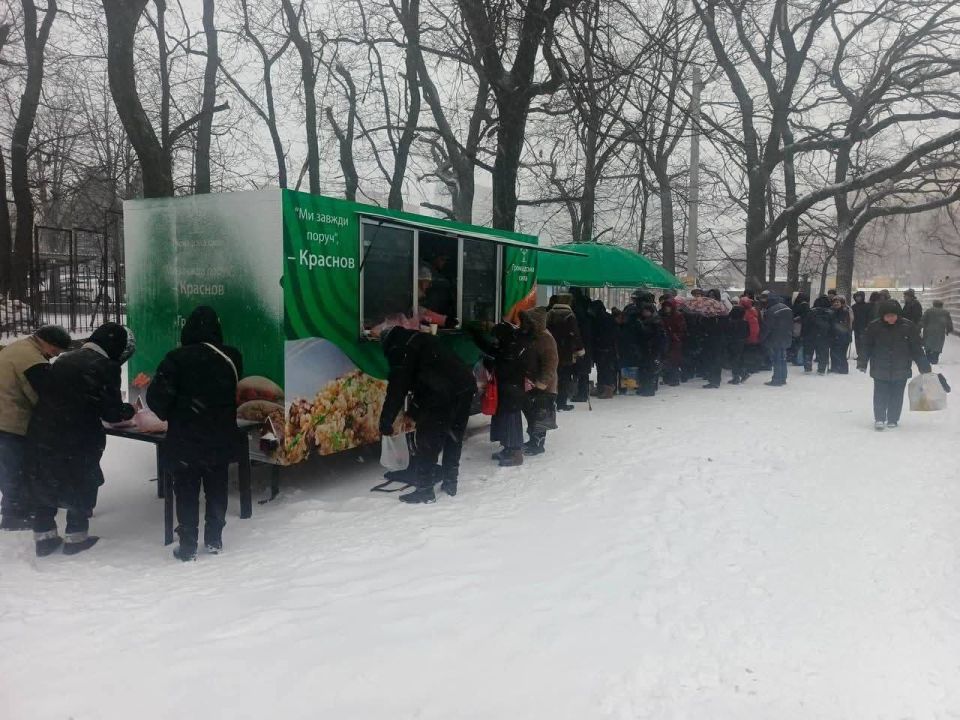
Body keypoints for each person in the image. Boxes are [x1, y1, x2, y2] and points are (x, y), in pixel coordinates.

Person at [28, 323, 136, 556]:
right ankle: (76, 538)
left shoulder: (64, 359)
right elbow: (111, 413)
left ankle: (44, 537)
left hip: (44, 430)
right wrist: (129, 410)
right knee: (81, 480)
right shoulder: (105, 366)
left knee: (48, 478)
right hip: (78, 435)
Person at [146, 307, 243, 561]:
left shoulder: (176, 358)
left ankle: (187, 544)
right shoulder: (232, 356)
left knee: (186, 490)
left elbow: (157, 398)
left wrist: (173, 413)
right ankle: (214, 538)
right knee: (217, 486)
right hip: (220, 436)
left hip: (186, 438)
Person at [378, 323, 476, 503]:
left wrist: (386, 421)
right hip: (465, 386)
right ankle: (450, 482)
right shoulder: (422, 339)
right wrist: (413, 412)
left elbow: (398, 388)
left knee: (428, 439)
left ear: (387, 344)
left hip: (441, 392)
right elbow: (425, 380)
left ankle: (425, 490)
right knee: (453, 436)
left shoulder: (400, 350)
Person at [0, 326, 71, 530]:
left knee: (11, 468)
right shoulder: (32, 359)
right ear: (46, 342)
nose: (55, 355)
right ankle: (13, 516)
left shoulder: (19, 348)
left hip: (5, 418)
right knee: (15, 469)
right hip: (10, 422)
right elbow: (45, 394)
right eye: (56, 350)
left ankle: (17, 509)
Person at [858, 299, 932, 430]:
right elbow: (866, 346)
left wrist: (924, 365)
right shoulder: (874, 327)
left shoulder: (908, 326)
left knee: (897, 395)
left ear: (898, 315)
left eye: (893, 316)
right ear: (882, 316)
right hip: (880, 367)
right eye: (887, 316)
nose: (891, 318)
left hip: (901, 367)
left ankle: (893, 418)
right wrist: (862, 362)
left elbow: (916, 348)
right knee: (880, 394)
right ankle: (880, 418)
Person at [471, 322, 527, 467]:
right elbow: (490, 349)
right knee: (504, 420)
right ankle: (507, 449)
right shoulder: (508, 346)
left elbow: (503, 369)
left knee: (511, 422)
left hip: (512, 392)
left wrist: (489, 363)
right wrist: (474, 334)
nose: (495, 341)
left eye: (496, 338)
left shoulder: (511, 350)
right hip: (507, 391)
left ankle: (516, 454)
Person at [518, 307, 559, 456]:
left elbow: (550, 364)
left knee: (540, 415)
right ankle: (533, 440)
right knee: (532, 414)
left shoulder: (545, 339)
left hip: (544, 387)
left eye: (527, 322)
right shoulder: (533, 337)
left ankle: (538, 443)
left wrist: (541, 385)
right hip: (532, 384)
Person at [546, 293, 585, 411]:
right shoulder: (569, 316)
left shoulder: (550, 314)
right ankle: (561, 402)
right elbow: (575, 334)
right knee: (564, 377)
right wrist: (580, 349)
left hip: (551, 349)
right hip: (565, 351)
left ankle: (550, 401)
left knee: (552, 376)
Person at [760, 293, 793, 386]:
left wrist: (762, 338)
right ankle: (783, 378)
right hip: (786, 336)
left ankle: (776, 379)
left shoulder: (771, 311)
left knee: (777, 359)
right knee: (783, 358)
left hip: (775, 338)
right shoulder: (787, 308)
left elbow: (767, 327)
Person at [635, 303, 667, 396]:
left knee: (650, 369)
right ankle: (644, 387)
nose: (645, 313)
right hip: (644, 348)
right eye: (644, 311)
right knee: (644, 369)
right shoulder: (643, 321)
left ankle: (649, 389)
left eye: (647, 311)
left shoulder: (656, 322)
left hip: (652, 349)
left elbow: (657, 337)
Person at [590, 299, 619, 399]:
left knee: (604, 369)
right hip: (607, 348)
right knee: (605, 369)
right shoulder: (608, 318)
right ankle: (604, 388)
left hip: (603, 347)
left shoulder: (599, 319)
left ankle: (607, 389)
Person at [570, 287, 593, 403]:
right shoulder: (587, 308)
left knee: (580, 370)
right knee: (583, 371)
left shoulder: (577, 311)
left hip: (581, 342)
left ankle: (582, 393)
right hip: (587, 342)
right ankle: (582, 392)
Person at [659, 298, 687, 387]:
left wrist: (676, 335)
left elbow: (682, 328)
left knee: (673, 361)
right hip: (666, 340)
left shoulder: (677, 316)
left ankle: (674, 379)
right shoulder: (663, 316)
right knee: (666, 360)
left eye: (669, 306)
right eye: (665, 306)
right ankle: (667, 378)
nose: (667, 308)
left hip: (674, 341)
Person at [802, 296, 834, 374]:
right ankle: (821, 369)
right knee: (823, 353)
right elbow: (833, 326)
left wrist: (803, 335)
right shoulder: (830, 313)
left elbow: (805, 324)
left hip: (811, 335)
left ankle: (807, 367)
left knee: (808, 352)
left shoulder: (811, 312)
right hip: (824, 336)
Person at [920, 299, 954, 364]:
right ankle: (935, 358)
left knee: (928, 345)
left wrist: (920, 327)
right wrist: (949, 330)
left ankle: (928, 357)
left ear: (933, 304)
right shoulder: (945, 312)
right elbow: (949, 322)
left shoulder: (929, 311)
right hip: (939, 332)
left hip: (928, 331)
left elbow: (923, 320)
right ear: (941, 305)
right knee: (937, 345)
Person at [726, 303, 750, 384]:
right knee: (739, 359)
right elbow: (748, 333)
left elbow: (728, 333)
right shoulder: (745, 322)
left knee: (734, 360)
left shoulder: (731, 322)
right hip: (742, 342)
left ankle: (736, 377)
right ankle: (743, 373)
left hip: (733, 342)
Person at [739, 296, 763, 377]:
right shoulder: (753, 311)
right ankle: (753, 367)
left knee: (749, 353)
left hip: (750, 336)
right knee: (753, 352)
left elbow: (751, 327)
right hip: (754, 336)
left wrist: (749, 337)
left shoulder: (747, 313)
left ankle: (751, 368)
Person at [829, 295, 853, 373]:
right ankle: (835, 367)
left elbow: (844, 324)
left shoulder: (845, 311)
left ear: (841, 303)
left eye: (838, 302)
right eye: (834, 302)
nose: (836, 304)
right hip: (834, 336)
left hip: (843, 336)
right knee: (833, 352)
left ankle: (843, 369)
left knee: (841, 353)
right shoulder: (832, 310)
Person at [790, 292, 810, 366]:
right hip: (803, 327)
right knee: (800, 344)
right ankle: (799, 359)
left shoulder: (797, 305)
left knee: (797, 343)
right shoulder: (806, 306)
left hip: (797, 326)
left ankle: (796, 359)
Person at [851, 291, 871, 360]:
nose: (858, 298)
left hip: (864, 327)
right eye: (856, 297)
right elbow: (851, 317)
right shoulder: (853, 307)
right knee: (857, 342)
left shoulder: (867, 306)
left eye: (859, 296)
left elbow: (869, 317)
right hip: (856, 327)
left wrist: (868, 326)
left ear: (862, 297)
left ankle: (864, 355)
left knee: (863, 342)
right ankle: (859, 354)